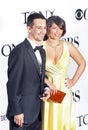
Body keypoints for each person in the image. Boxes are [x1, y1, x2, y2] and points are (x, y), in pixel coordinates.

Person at [6, 12, 50, 130]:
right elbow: (12, 84)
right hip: (21, 115)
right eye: (39, 28)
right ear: (29, 29)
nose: (43, 31)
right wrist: (17, 111)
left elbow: (41, 76)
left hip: (38, 113)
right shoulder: (19, 52)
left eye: (45, 28)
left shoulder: (42, 51)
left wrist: (46, 89)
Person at [42, 15, 86, 130]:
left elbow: (82, 63)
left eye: (61, 28)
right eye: (55, 28)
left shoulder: (68, 46)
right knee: (49, 121)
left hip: (64, 91)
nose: (58, 32)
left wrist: (73, 81)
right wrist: (47, 83)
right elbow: (35, 71)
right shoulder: (40, 47)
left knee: (64, 122)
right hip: (48, 90)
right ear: (47, 29)